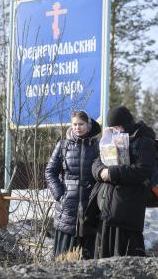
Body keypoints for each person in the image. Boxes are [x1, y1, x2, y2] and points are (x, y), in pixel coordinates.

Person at [84, 105, 157, 258]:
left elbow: (143, 171)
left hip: (127, 210)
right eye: (112, 128)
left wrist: (112, 172)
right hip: (107, 208)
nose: (115, 131)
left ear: (127, 124)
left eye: (118, 127)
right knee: (103, 254)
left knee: (125, 255)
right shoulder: (110, 138)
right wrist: (101, 172)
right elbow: (97, 162)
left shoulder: (143, 140)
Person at [45, 111, 101, 259]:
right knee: (63, 256)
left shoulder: (98, 147)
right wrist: (60, 195)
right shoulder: (62, 146)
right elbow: (50, 172)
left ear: (88, 126)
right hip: (67, 206)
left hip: (90, 206)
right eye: (75, 124)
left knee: (87, 255)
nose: (77, 127)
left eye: (81, 124)